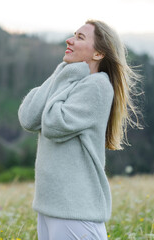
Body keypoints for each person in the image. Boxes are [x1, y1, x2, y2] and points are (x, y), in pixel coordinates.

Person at [18, 19, 142, 240]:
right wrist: (62, 72)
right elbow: (28, 117)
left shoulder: (98, 86)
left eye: (80, 37)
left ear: (98, 54)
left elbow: (54, 124)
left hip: (75, 210)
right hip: (51, 207)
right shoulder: (69, 78)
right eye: (74, 34)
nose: (70, 40)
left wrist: (66, 74)